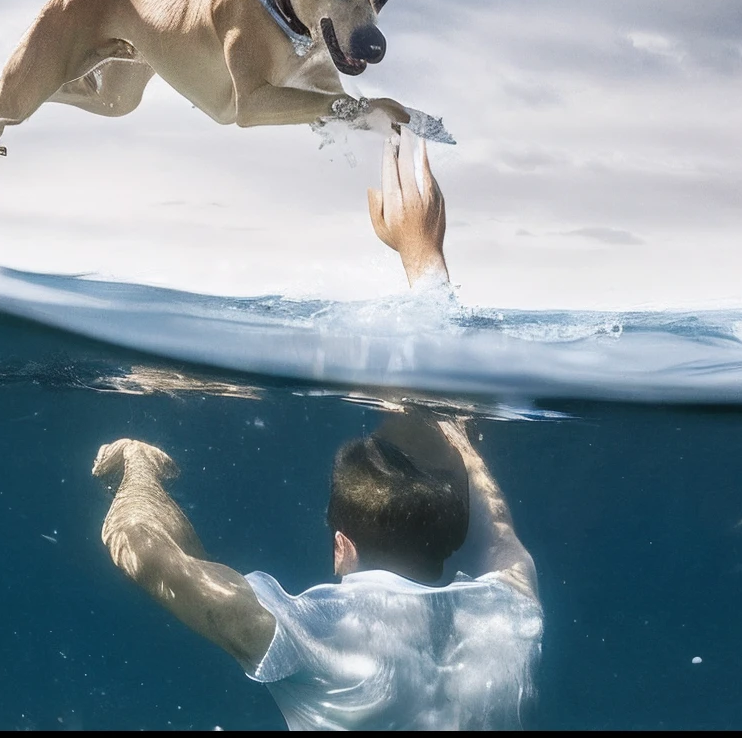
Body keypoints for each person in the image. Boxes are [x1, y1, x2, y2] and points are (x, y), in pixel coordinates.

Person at [91, 131, 542, 730]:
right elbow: (496, 522)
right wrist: (421, 257)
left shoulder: (312, 641)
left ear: (341, 546)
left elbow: (151, 558)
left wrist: (138, 466)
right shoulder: (511, 618)